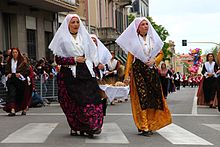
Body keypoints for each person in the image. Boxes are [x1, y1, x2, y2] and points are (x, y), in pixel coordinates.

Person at [49, 14, 103, 137]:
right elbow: (58, 59)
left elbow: (91, 55)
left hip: (85, 72)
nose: (75, 25)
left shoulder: (85, 38)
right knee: (75, 101)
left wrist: (95, 68)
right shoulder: (63, 39)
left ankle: (93, 126)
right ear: (68, 24)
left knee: (92, 98)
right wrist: (73, 59)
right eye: (73, 22)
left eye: (77, 22)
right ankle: (79, 126)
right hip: (70, 74)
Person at [116, 17, 172, 136]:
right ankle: (143, 125)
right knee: (142, 98)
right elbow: (130, 59)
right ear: (138, 27)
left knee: (153, 97)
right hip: (138, 71)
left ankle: (151, 123)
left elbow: (161, 54)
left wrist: (154, 61)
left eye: (147, 24)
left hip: (151, 71)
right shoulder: (134, 41)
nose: (146, 26)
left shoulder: (153, 40)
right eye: (143, 24)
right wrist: (127, 75)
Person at [3, 48, 30, 116]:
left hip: (20, 80)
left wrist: (20, 74)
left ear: (18, 53)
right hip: (12, 79)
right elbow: (6, 70)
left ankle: (23, 108)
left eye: (16, 52)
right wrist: (8, 74)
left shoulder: (22, 61)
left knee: (20, 95)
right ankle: (12, 110)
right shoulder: (9, 61)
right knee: (12, 93)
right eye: (13, 53)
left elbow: (27, 71)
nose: (14, 54)